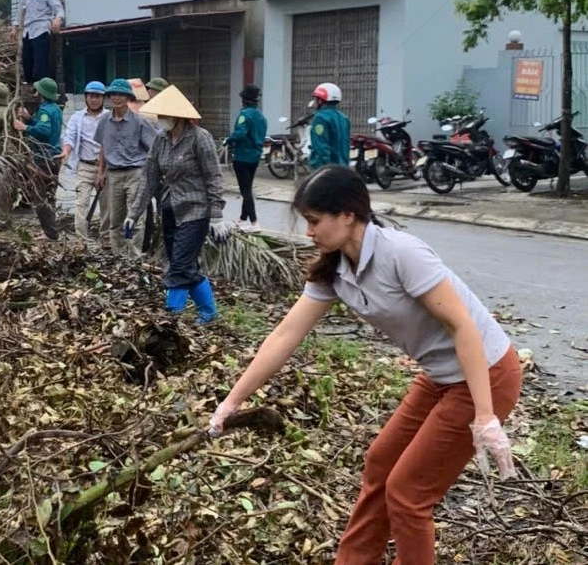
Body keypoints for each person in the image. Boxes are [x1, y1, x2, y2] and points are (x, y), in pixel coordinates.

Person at [209, 166, 521, 565]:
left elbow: (463, 327)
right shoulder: (335, 269)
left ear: (348, 215)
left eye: (314, 221)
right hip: (440, 377)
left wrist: (484, 416)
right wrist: (232, 402)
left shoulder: (402, 253)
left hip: (486, 373)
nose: (309, 232)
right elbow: (286, 334)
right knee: (380, 464)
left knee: (408, 493)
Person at [124, 85, 227, 324]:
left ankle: (172, 316)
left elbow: (214, 177)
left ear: (177, 116)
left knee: (179, 265)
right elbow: (148, 177)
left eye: (164, 116)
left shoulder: (200, 138)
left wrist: (217, 215)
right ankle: (209, 313)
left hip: (196, 210)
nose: (160, 120)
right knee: (183, 264)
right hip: (170, 209)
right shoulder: (160, 139)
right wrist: (133, 214)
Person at [94, 78, 157, 255]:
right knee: (116, 218)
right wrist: (100, 172)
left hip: (135, 173)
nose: (117, 98)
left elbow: (153, 149)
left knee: (135, 216)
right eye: (113, 94)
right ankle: (118, 255)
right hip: (113, 175)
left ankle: (135, 255)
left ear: (128, 97)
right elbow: (103, 147)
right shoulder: (104, 121)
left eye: (121, 94)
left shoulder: (139, 122)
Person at [14, 77, 63, 240]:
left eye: (36, 90)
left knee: (41, 197)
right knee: (50, 195)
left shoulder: (44, 111)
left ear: (41, 93)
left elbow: (44, 130)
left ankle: (49, 232)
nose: (34, 93)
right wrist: (29, 119)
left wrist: (25, 127)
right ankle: (50, 230)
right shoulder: (54, 108)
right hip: (54, 157)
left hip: (43, 158)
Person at [60, 81, 109, 242]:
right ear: (86, 98)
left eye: (97, 97)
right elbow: (70, 137)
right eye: (91, 96)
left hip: (105, 167)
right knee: (82, 203)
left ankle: (105, 237)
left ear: (103, 98)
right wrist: (66, 151)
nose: (94, 100)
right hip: (84, 166)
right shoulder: (77, 117)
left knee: (106, 205)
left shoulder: (109, 117)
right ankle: (81, 239)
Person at [12, 0, 64, 84]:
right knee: (27, 60)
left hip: (41, 29)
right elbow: (20, 9)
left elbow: (59, 9)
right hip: (27, 30)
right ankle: (29, 84)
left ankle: (42, 85)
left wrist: (57, 20)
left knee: (40, 60)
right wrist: (15, 27)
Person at [226, 84, 268, 232]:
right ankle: (243, 219)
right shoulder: (261, 116)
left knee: (245, 190)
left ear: (244, 100)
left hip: (242, 156)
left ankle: (254, 221)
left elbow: (240, 133)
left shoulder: (245, 115)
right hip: (255, 157)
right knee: (248, 188)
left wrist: (228, 140)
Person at [308, 82, 350, 170]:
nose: (314, 102)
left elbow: (321, 147)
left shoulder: (320, 118)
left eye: (316, 99)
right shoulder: (344, 118)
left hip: (327, 170)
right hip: (343, 168)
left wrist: (319, 169)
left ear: (321, 100)